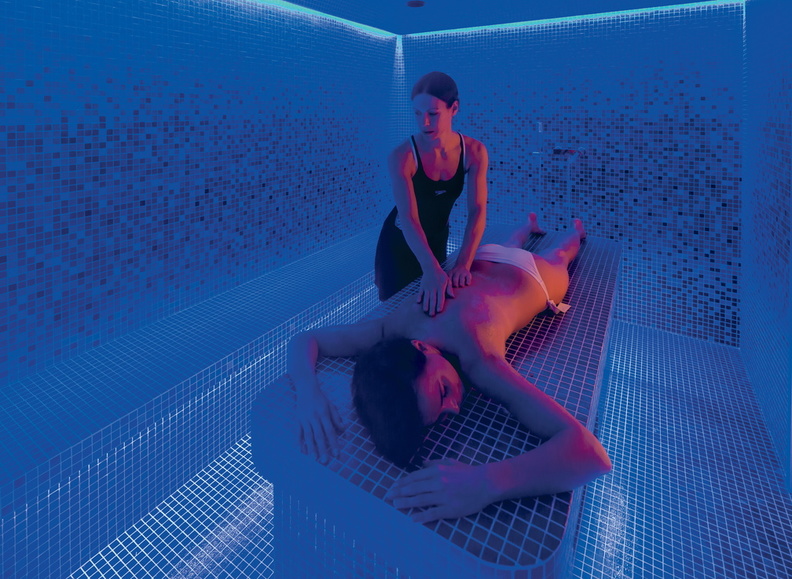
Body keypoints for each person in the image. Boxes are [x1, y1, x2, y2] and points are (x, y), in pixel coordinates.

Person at [288, 214, 612, 523]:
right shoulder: (392, 329)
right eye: (443, 413)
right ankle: (528, 226)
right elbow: (306, 339)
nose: (455, 407)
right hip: (482, 259)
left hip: (534, 276)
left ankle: (575, 232)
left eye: (443, 390)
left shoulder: (480, 359)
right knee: (513, 243)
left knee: (561, 254)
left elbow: (590, 454)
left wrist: (486, 482)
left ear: (422, 348)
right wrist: (307, 390)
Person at [375, 71, 489, 315]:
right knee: (395, 317)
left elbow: (477, 210)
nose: (424, 122)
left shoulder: (474, 152)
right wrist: (430, 268)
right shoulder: (402, 156)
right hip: (400, 244)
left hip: (437, 239)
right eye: (417, 113)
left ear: (454, 108)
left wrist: (463, 263)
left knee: (434, 313)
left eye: (433, 114)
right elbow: (408, 218)